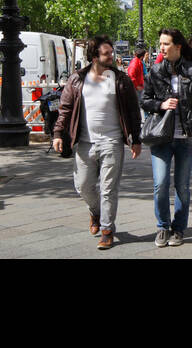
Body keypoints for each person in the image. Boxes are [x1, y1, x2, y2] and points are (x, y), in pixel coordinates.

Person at [52, 35, 142, 250]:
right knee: (82, 185)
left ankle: (107, 230)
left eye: (112, 52)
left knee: (109, 189)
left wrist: (136, 139)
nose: (111, 56)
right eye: (106, 53)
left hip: (112, 142)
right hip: (84, 142)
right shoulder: (77, 79)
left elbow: (132, 112)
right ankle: (95, 211)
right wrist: (57, 133)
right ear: (94, 56)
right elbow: (64, 109)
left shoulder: (120, 79)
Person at [141, 28, 192, 248]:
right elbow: (145, 100)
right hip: (161, 136)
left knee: (182, 186)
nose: (161, 48)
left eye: (166, 44)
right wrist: (160, 104)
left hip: (185, 137)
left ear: (178, 46)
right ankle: (162, 226)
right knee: (160, 184)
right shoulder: (155, 70)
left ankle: (178, 228)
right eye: (160, 43)